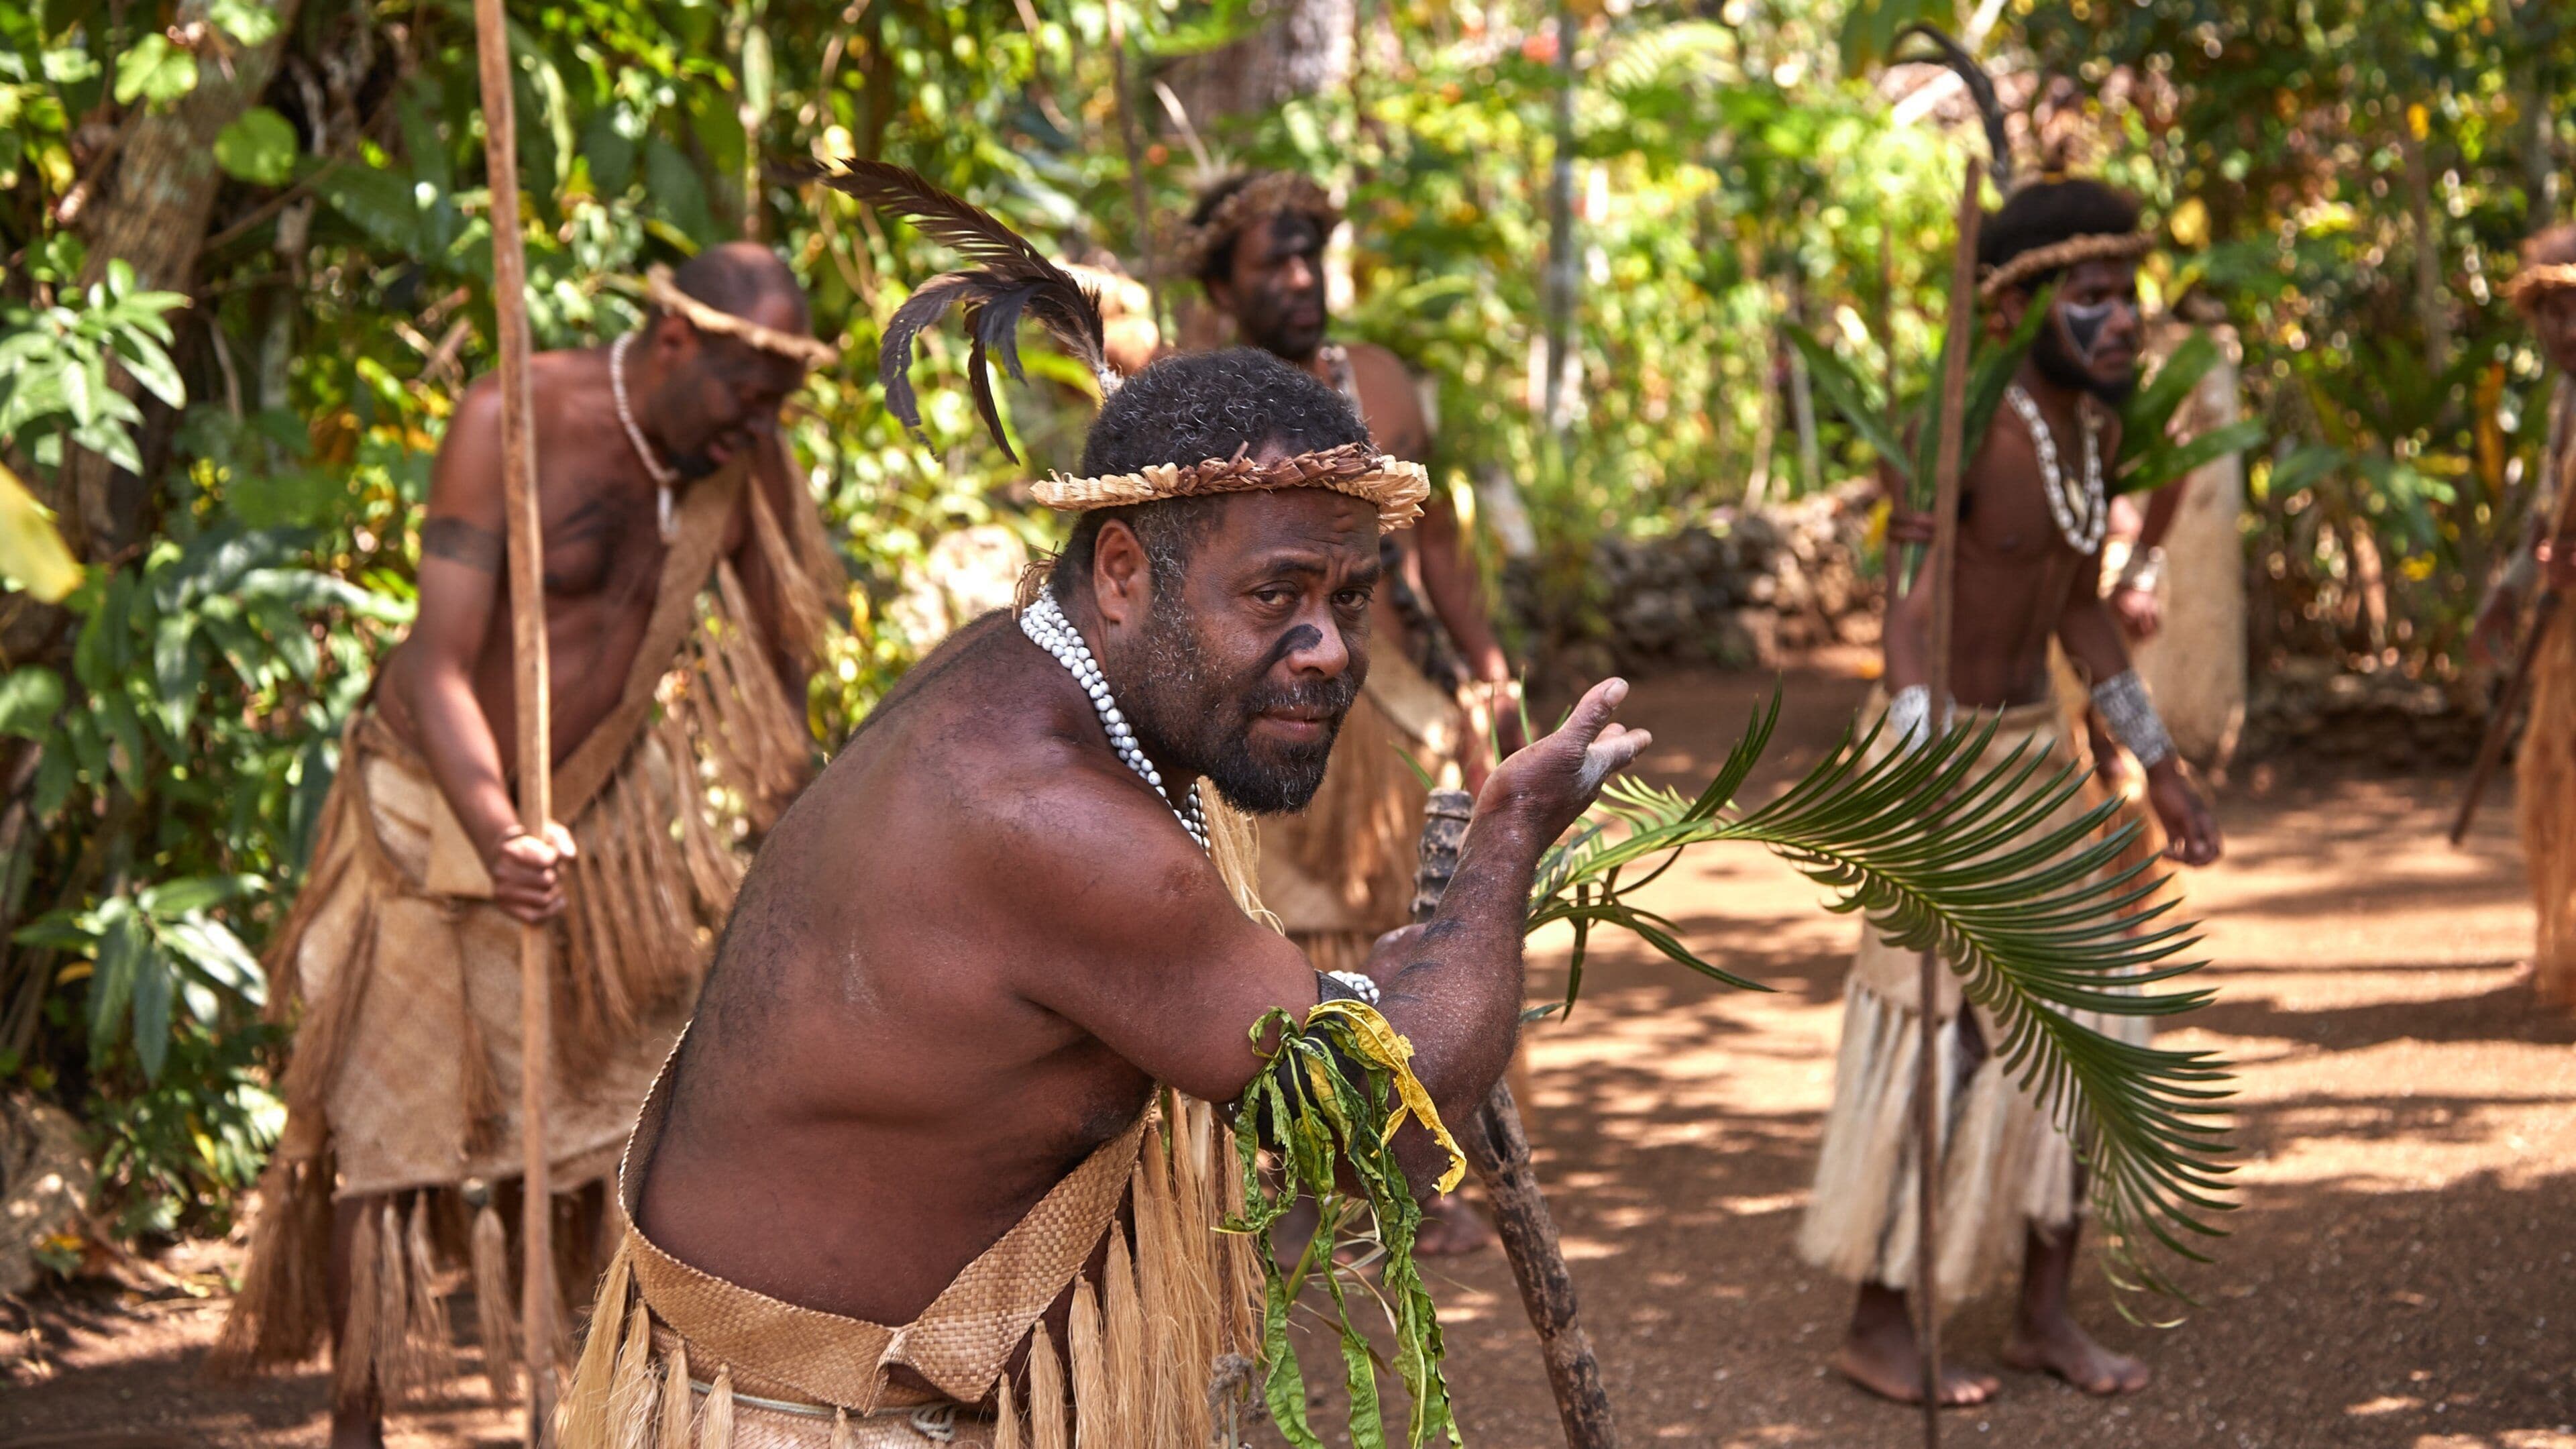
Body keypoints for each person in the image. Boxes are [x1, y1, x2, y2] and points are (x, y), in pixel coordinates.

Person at [554, 174, 1650, 1448]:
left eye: (1349, 601)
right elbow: (1377, 1139)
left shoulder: (1020, 673)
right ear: (1122, 570)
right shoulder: (1047, 819)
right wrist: (1505, 852)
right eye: (1276, 594)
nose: (1328, 650)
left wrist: (1367, 992)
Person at [213, 245, 845, 1448]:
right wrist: (496, 828)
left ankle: (589, 1414)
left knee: (612, 1136)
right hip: (425, 811)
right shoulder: (512, 420)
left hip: (593, 828)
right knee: (388, 1144)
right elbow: (436, 659)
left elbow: (781, 655)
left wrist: (800, 829)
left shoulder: (738, 455)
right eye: (744, 396)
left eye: (779, 405)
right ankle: (360, 1424)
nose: (762, 428)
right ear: (674, 344)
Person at [1796, 178, 2223, 1407]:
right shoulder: (1962, 424)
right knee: (1938, 1036)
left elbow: (2082, 610)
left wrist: (2160, 761)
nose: (2125, 320)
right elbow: (1909, 608)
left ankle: (2045, 1313)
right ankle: (1880, 1320)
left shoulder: (2089, 433)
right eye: (2092, 297)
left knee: (2091, 1021)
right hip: (1938, 753)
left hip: (2037, 751)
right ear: (2018, 307)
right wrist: (1923, 760)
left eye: (2127, 294)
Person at [1176, 171, 1523, 1254]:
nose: (1298, 280)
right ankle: (1293, 1165)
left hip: (1397, 696)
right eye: (1271, 263)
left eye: (1310, 257)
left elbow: (1443, 545)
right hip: (1264, 707)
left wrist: (1489, 664)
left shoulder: (1376, 382)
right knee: (1283, 922)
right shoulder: (1195, 398)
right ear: (1222, 287)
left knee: (1404, 913)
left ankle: (1413, 1166)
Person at [2475, 223, 2576, 1008]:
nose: (2565, 332)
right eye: (2551, 313)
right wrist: (2510, 587)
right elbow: (2551, 514)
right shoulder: (2567, 400)